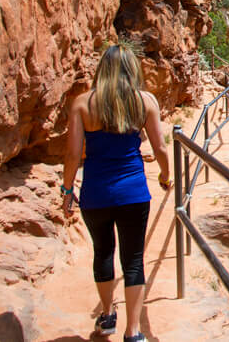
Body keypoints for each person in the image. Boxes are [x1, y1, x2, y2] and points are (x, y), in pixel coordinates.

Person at [61, 44, 171, 342]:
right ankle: (134, 332)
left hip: (96, 193)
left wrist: (67, 190)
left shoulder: (82, 104)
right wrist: (165, 174)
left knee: (103, 251)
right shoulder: (145, 101)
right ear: (132, 69)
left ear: (102, 69)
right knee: (133, 258)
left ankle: (108, 315)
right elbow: (160, 148)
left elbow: (72, 155)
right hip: (133, 192)